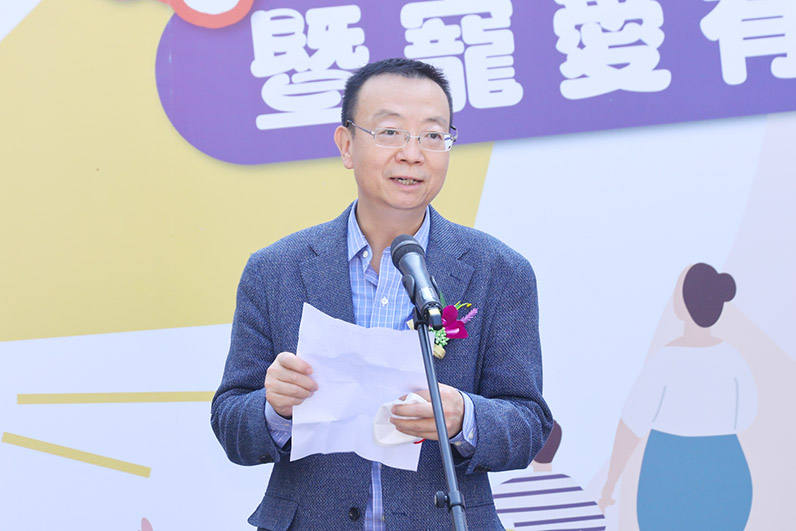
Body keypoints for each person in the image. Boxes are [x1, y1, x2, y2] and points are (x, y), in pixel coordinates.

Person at [211, 58, 553, 530]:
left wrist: (466, 417)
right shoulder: (276, 270)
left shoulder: (499, 271)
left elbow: (529, 423)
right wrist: (275, 407)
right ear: (346, 144)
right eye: (390, 132)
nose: (413, 154)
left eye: (432, 135)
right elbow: (231, 422)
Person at [598, 263, 757, 530]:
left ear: (681, 305)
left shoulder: (663, 361)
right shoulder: (734, 360)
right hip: (726, 471)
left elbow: (630, 427)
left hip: (668, 474)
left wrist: (610, 484)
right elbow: (746, 417)